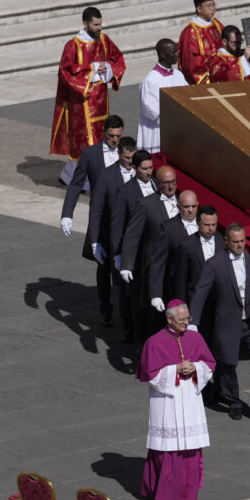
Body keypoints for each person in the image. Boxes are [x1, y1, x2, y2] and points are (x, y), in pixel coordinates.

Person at [189, 224, 250, 423]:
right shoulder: (214, 264)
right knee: (227, 364)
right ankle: (234, 402)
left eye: (242, 241)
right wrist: (192, 321)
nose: (240, 245)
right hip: (228, 322)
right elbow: (200, 292)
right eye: (235, 242)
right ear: (226, 241)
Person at [137, 301, 215, 500]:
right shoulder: (154, 342)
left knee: (190, 450)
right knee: (167, 450)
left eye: (188, 318)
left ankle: (187, 494)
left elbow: (209, 363)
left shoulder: (195, 337)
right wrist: (176, 370)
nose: (186, 323)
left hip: (190, 398)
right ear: (169, 319)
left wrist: (195, 367)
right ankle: (164, 495)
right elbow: (149, 374)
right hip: (167, 401)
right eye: (181, 320)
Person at [60, 114, 124, 327]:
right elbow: (76, 184)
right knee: (103, 266)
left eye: (118, 136)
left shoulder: (127, 151)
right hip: (102, 219)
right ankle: (105, 309)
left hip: (124, 220)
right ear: (103, 133)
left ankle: (127, 314)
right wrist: (67, 213)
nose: (115, 140)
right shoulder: (90, 154)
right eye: (111, 136)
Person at [51, 7, 126, 185]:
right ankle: (82, 180)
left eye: (100, 24)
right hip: (81, 101)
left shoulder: (104, 40)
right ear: (85, 24)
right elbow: (65, 72)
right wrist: (92, 70)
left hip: (101, 100)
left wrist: (107, 68)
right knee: (84, 141)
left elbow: (117, 60)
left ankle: (71, 176)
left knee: (101, 136)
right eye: (96, 25)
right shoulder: (73, 45)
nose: (99, 28)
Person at [120, 165, 180, 338]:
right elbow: (132, 236)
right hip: (156, 266)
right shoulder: (146, 204)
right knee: (155, 312)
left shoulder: (183, 202)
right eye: (166, 183)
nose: (170, 186)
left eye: (173, 182)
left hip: (177, 267)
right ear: (158, 183)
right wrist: (126, 264)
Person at [87, 136, 138, 340]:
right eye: (126, 158)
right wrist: (94, 241)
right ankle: (117, 318)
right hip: (113, 237)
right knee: (118, 282)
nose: (130, 162)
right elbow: (96, 209)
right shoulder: (107, 176)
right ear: (119, 154)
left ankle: (133, 322)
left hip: (136, 238)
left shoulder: (142, 173)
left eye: (133, 157)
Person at [149, 191, 199, 312]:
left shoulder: (205, 224)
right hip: (179, 288)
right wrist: (156, 294)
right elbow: (158, 261)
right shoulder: (169, 228)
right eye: (186, 207)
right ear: (178, 206)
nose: (190, 210)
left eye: (193, 206)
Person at [137, 39, 189, 153]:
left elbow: (188, 96)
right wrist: (173, 121)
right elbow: (150, 109)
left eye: (177, 51)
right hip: (159, 131)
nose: (177, 54)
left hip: (178, 129)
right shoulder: (151, 80)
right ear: (163, 55)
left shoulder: (178, 75)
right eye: (173, 51)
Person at [178, 0, 224, 84]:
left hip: (222, 73)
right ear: (199, 9)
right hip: (206, 80)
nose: (213, 9)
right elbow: (191, 63)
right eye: (209, 6)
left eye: (214, 5)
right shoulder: (190, 33)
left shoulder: (217, 24)